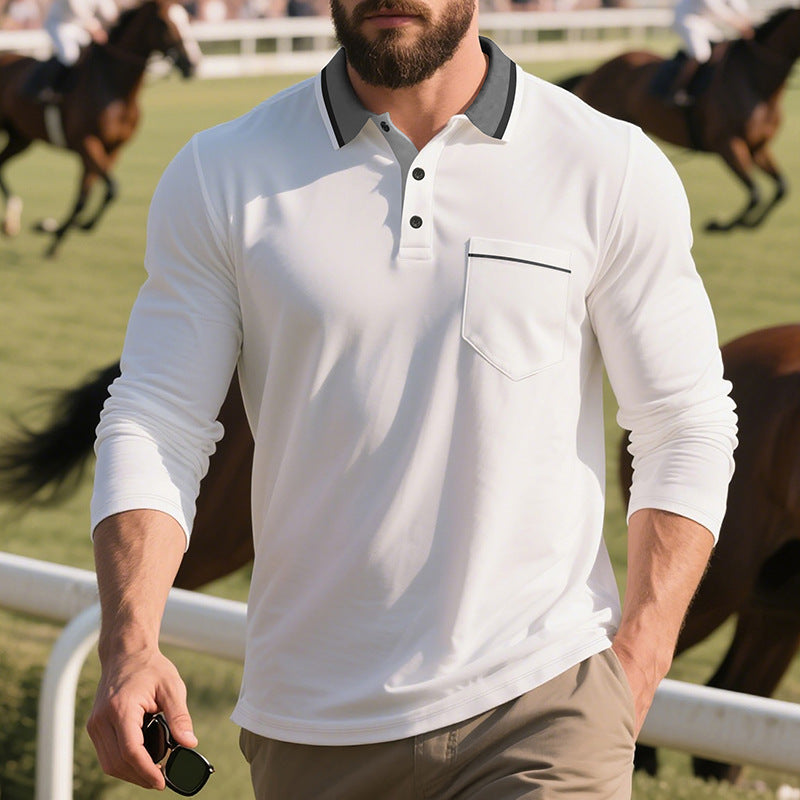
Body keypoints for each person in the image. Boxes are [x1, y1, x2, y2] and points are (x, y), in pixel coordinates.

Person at [85, 0, 738, 795]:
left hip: (545, 705)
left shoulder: (608, 164)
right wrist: (130, 640)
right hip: (309, 723)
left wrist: (638, 657)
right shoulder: (222, 170)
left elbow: (685, 422)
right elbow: (157, 419)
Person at [23, 0, 121, 102]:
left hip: (77, 26)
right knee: (69, 55)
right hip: (58, 24)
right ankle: (44, 86)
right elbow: (78, 9)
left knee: (89, 50)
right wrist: (96, 30)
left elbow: (110, 12)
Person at [668, 0, 754, 104]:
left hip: (703, 20)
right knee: (701, 54)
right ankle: (678, 90)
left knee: (721, 48)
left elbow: (740, 6)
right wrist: (742, 27)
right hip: (686, 18)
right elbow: (717, 10)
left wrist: (748, 23)